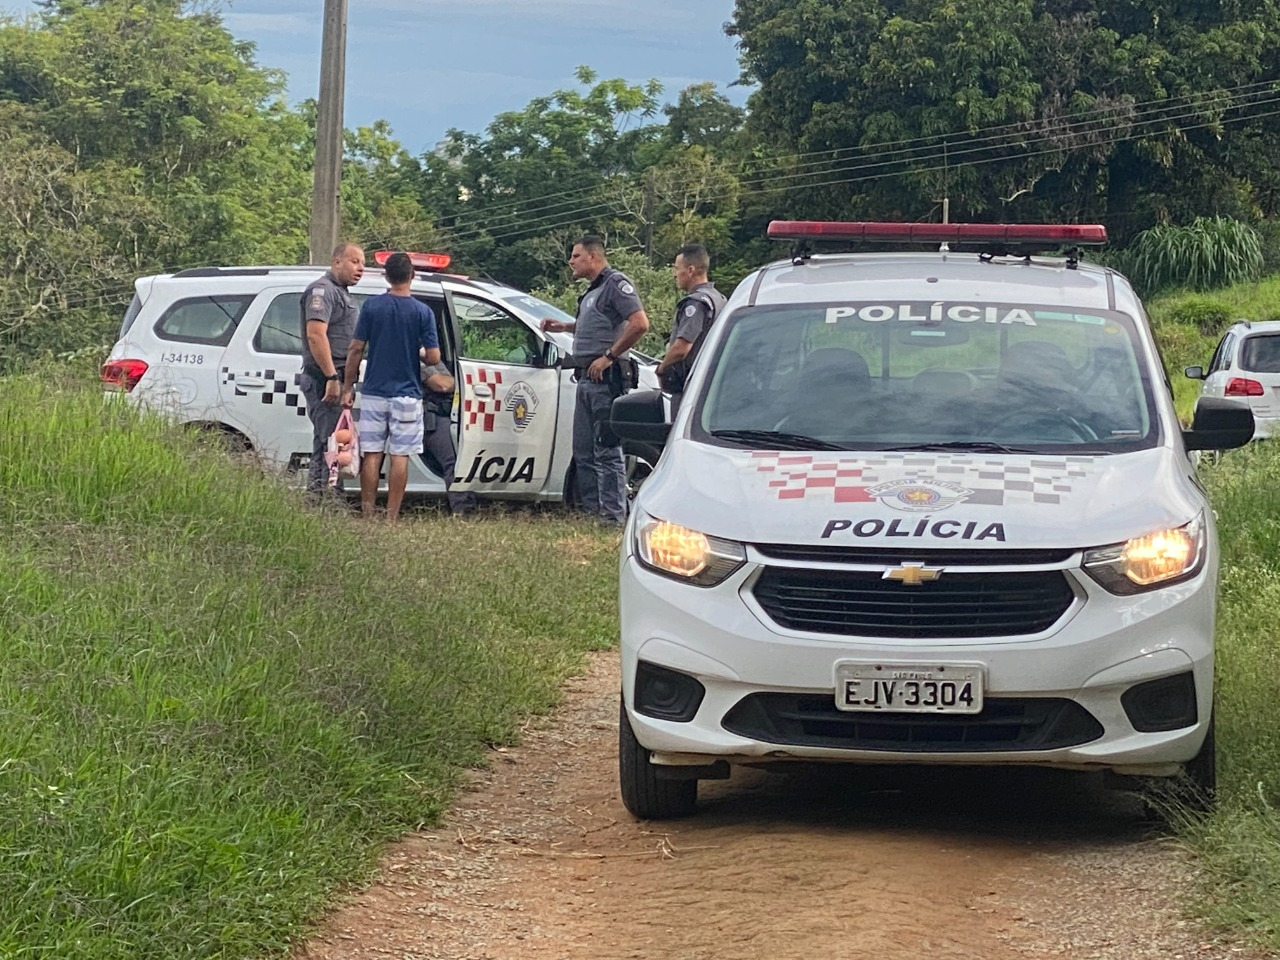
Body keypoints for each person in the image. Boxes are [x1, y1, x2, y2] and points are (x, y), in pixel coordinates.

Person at [541, 235, 649, 526]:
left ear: (593, 256)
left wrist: (610, 356)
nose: (571, 261)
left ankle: (613, 517)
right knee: (584, 451)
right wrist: (564, 326)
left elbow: (640, 323)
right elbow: (597, 323)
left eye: (576, 256)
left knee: (606, 449)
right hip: (586, 378)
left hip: (606, 379)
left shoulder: (615, 284)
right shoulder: (594, 290)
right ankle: (592, 514)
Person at [341, 252, 440, 522]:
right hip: (407, 394)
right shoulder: (423, 312)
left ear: (386, 276)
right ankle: (392, 516)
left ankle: (368, 512)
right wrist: (418, 352)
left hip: (374, 391)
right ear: (412, 276)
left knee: (372, 453)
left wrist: (348, 386)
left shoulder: (372, 307)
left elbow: (356, 348)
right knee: (400, 456)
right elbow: (433, 357)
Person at [300, 242, 364, 496]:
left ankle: (316, 500)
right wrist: (332, 377)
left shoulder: (342, 292)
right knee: (334, 445)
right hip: (324, 379)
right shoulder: (322, 291)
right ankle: (330, 502)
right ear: (337, 261)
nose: (360, 268)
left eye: (362, 264)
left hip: (335, 377)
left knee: (325, 441)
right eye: (354, 261)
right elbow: (316, 335)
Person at [654, 242, 727, 418]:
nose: (674, 274)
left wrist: (662, 367)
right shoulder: (720, 299)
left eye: (677, 268)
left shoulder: (696, 303)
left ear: (691, 270)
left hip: (691, 385)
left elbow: (682, 347)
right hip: (713, 383)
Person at [420, 356, 478, 516]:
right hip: (432, 417)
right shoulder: (419, 356)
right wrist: (469, 381)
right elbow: (441, 384)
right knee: (456, 460)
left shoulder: (432, 357)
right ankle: (463, 510)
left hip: (449, 414)